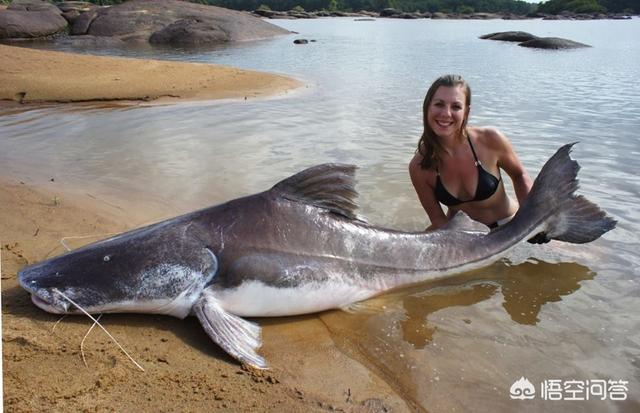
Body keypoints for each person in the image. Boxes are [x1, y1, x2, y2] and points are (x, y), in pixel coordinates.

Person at [409, 74, 539, 237]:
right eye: (439, 104)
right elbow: (438, 220)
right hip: (463, 236)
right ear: (427, 107)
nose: (446, 113)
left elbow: (519, 175)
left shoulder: (490, 139)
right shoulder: (419, 166)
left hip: (509, 225)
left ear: (466, 112)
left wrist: (531, 218)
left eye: (456, 107)